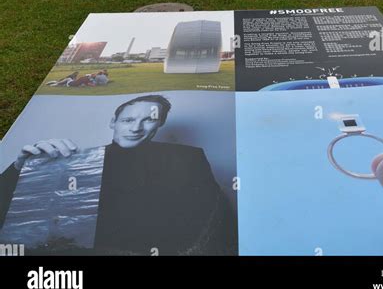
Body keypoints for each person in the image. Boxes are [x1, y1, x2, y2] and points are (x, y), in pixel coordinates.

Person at [0, 94, 237, 256]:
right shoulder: (75, 161)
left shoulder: (188, 157)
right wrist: (20, 169)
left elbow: (212, 219)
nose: (136, 128)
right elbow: (16, 217)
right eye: (128, 120)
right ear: (113, 122)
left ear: (160, 125)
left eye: (148, 120)